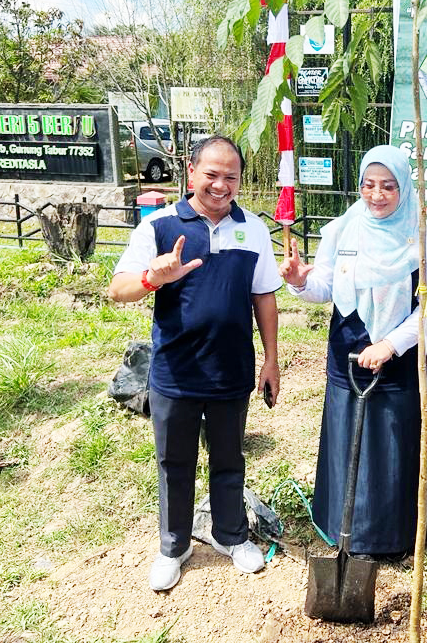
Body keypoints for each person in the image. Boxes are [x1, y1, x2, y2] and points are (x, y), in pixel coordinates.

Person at [108, 136, 281, 591]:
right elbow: (118, 288)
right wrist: (152, 277)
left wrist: (271, 360)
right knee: (174, 461)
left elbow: (263, 295)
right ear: (191, 171)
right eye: (212, 175)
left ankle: (230, 535)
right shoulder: (161, 225)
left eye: (231, 177)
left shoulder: (254, 230)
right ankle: (174, 545)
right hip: (175, 371)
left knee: (229, 458)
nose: (221, 185)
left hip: (231, 369)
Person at [280, 145, 427, 558]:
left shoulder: (423, 235)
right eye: (368, 185)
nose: (377, 195)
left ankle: (392, 535)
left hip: (399, 353)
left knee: (393, 438)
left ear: (404, 187)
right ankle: (344, 528)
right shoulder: (342, 229)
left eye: (388, 186)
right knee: (346, 433)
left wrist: (391, 345)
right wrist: (300, 282)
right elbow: (323, 288)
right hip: (347, 345)